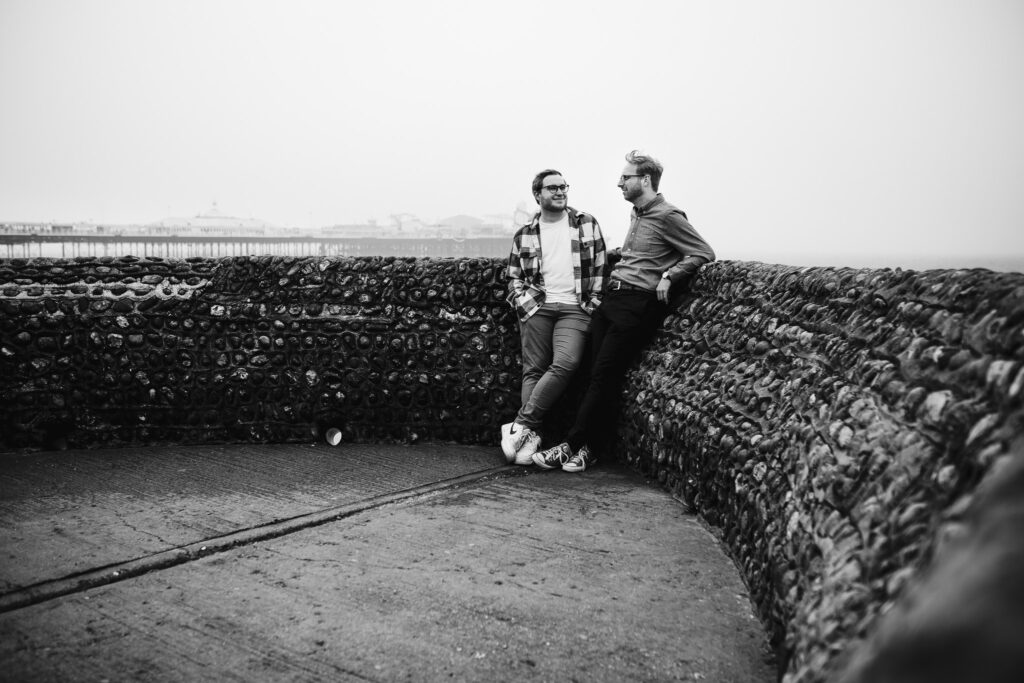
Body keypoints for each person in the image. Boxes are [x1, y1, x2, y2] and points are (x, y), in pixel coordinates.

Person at [532, 150, 715, 473]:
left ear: (645, 180)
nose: (619, 183)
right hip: (612, 300)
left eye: (626, 177)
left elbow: (703, 252)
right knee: (593, 376)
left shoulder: (669, 215)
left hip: (637, 305)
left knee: (604, 376)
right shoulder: (638, 213)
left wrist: (671, 275)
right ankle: (588, 448)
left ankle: (571, 446)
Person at [501, 169, 607, 465]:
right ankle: (531, 438)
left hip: (576, 306)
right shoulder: (524, 233)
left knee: (566, 362)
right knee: (533, 370)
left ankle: (519, 426)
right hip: (537, 305)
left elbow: (600, 265)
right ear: (538, 195)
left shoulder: (586, 223)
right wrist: (522, 301)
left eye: (563, 186)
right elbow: (513, 275)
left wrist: (594, 301)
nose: (560, 192)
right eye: (552, 188)